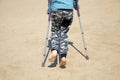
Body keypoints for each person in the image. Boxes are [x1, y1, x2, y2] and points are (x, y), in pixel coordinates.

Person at [47, 0, 78, 67]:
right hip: (68, 11)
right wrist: (76, 6)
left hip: (56, 10)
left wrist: (49, 9)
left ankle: (54, 51)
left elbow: (50, 1)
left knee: (55, 31)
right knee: (63, 33)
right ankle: (63, 57)